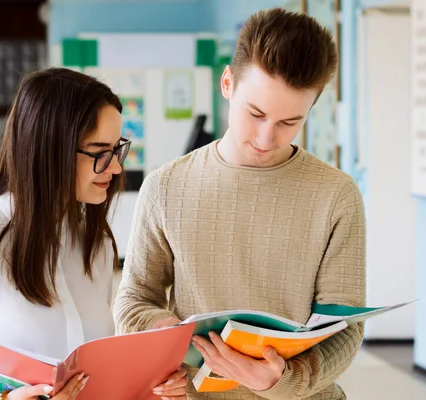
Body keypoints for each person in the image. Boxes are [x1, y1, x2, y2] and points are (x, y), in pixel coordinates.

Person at [114, 8, 366, 400]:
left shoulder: (336, 195)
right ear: (227, 83)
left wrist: (284, 378)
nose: (267, 138)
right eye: (256, 113)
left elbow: (345, 328)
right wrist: (164, 339)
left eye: (289, 122)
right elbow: (134, 300)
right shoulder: (165, 186)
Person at [0, 68, 187, 400]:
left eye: (117, 149)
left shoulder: (95, 246)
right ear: (50, 149)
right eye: (100, 152)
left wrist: (149, 384)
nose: (115, 168)